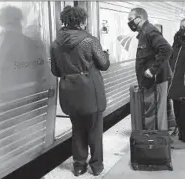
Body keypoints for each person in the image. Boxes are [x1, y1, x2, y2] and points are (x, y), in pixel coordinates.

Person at [50, 6, 110, 177]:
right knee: (94, 130)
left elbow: (55, 71)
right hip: (91, 92)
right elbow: (104, 64)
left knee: (77, 129)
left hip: (69, 91)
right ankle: (96, 166)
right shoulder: (90, 40)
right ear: (82, 22)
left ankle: (79, 166)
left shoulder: (55, 44)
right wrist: (106, 55)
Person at [127, 8, 172, 130]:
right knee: (154, 112)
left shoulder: (149, 31)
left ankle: (152, 142)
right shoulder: (144, 33)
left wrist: (152, 70)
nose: (129, 23)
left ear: (139, 18)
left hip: (155, 81)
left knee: (153, 114)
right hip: (151, 82)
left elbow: (167, 49)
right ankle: (156, 140)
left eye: (131, 19)